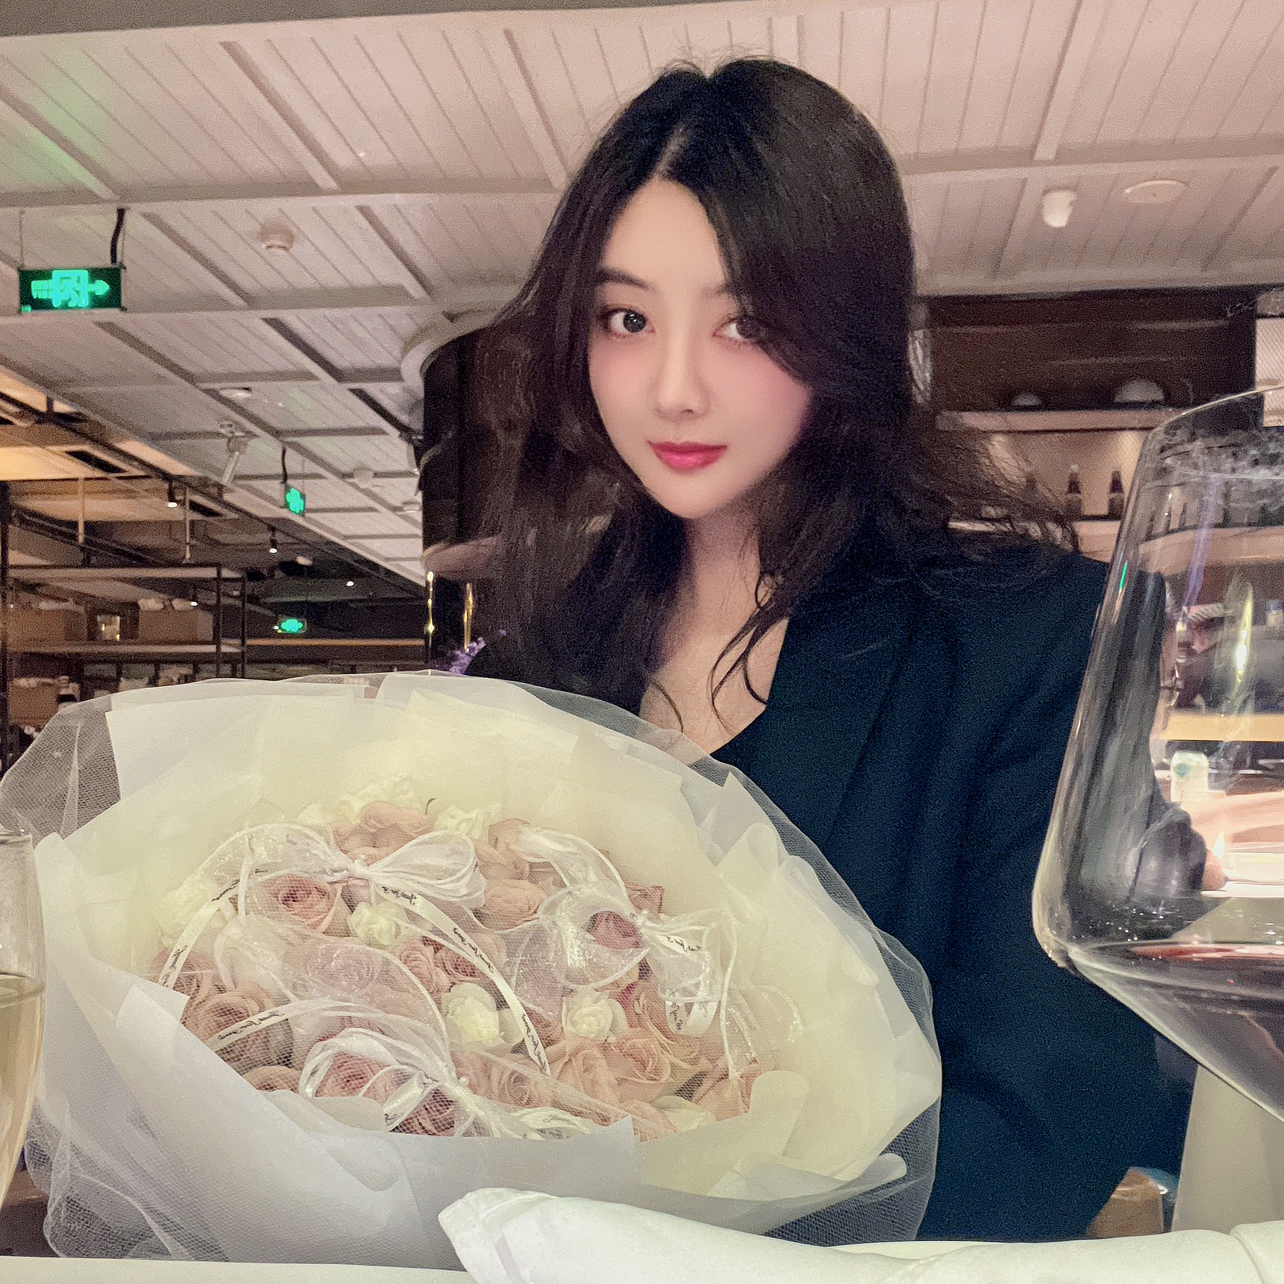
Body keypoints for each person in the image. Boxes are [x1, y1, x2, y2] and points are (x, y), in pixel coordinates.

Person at [470, 58, 1191, 1241]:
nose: (673, 388)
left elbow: (1046, 1117)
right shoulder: (527, 677)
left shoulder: (1027, 641)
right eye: (627, 319)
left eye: (745, 322)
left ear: (843, 331)